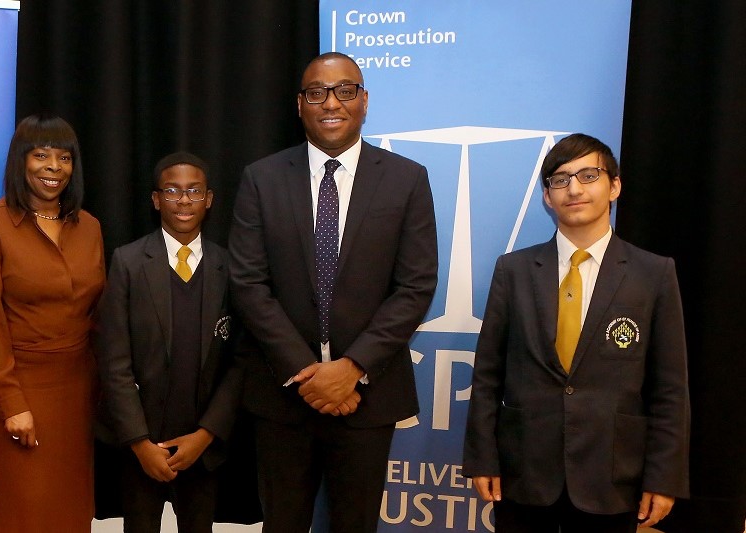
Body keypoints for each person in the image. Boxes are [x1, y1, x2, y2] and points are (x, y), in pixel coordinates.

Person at [227, 52, 438, 532]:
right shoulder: (261, 179)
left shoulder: (407, 179)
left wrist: (353, 368)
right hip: (282, 396)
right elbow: (248, 283)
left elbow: (416, 284)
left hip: (367, 394)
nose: (331, 103)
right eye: (317, 92)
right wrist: (307, 373)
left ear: (364, 101)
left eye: (345, 90)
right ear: (299, 104)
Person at [463, 133, 689, 532]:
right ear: (547, 196)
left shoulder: (653, 274)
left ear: (614, 186)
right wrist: (483, 457)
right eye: (560, 179)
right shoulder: (513, 271)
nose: (574, 188)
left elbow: (669, 389)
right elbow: (487, 376)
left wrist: (663, 476)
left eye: (588, 175)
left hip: (613, 478)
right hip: (524, 473)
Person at [0, 114, 105, 533]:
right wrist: (12, 404)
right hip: (17, 392)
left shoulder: (90, 227)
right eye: (40, 155)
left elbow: (98, 315)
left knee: (71, 509)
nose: (53, 168)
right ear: (19, 162)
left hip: (78, 393)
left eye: (64, 158)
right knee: (20, 508)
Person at [95, 152, 242, 533]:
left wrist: (206, 435)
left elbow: (239, 363)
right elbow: (114, 362)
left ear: (209, 199)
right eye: (173, 191)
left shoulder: (230, 268)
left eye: (193, 191)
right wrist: (140, 443)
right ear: (156, 199)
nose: (183, 200)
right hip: (141, 448)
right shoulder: (127, 263)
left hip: (201, 449)